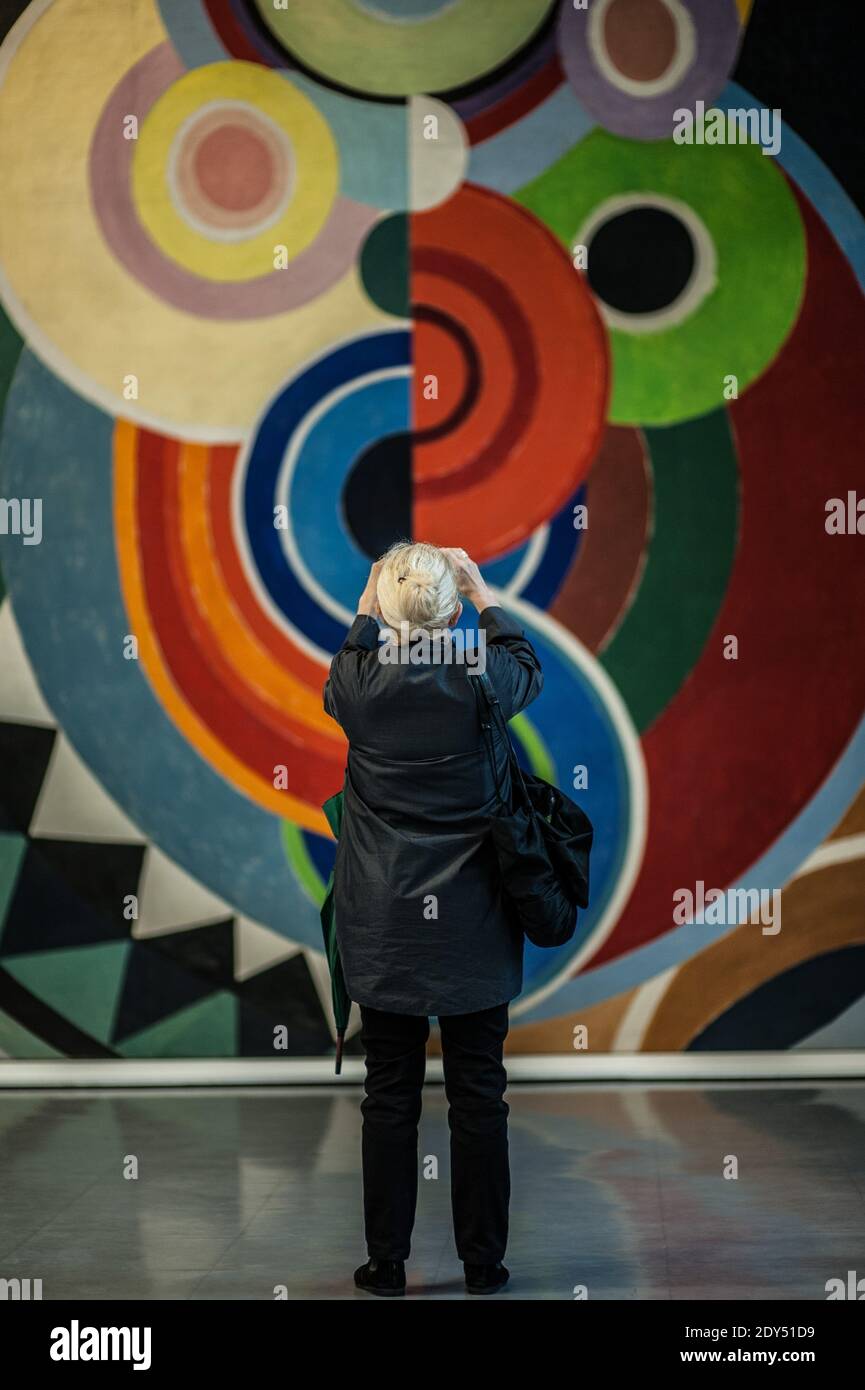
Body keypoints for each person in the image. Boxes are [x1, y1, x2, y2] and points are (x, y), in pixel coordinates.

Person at [322, 541, 543, 1297]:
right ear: (451, 611)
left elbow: (354, 645)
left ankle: (386, 1265)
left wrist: (368, 601)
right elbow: (524, 662)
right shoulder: (484, 682)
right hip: (473, 924)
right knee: (479, 1091)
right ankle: (483, 1264)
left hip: (384, 928)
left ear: (384, 611)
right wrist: (482, 596)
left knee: (389, 1093)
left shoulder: (356, 689)